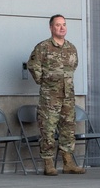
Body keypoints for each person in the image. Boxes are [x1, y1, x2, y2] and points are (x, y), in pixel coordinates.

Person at [27, 14, 85, 176]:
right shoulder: (43, 47)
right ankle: (48, 162)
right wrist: (44, 80)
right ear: (51, 28)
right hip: (49, 97)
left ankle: (68, 162)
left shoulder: (71, 48)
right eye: (58, 25)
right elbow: (33, 65)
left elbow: (73, 67)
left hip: (68, 96)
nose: (62, 27)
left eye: (64, 24)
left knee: (68, 128)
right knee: (48, 129)